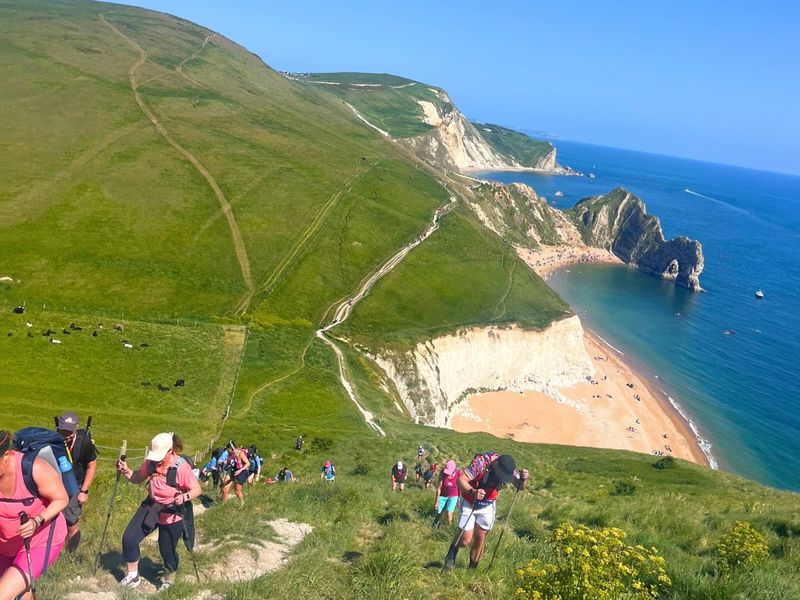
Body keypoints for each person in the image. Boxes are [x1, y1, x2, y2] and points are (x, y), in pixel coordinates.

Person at [117, 432, 201, 590]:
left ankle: (169, 578)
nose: (157, 459)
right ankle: (132, 575)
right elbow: (137, 478)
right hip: (151, 506)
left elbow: (196, 489)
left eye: (160, 455)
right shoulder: (150, 463)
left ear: (170, 451)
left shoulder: (181, 467)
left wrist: (184, 497)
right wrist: (126, 471)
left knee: (166, 550)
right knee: (129, 538)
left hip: (173, 512)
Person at [0, 430, 69, 600]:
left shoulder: (33, 468)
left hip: (39, 540)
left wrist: (36, 521)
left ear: (6, 456)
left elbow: (61, 498)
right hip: (5, 545)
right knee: (20, 593)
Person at [443, 453, 528, 571]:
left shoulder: (508, 468)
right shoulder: (480, 463)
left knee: (480, 537)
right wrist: (473, 491)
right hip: (469, 501)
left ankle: (472, 570)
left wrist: (523, 480)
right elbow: (460, 480)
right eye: (501, 475)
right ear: (496, 464)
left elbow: (520, 486)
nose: (502, 478)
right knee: (465, 540)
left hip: (488, 504)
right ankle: (452, 553)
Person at [56, 411, 97, 552]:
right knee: (53, 521)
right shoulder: (54, 440)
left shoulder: (84, 442)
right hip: (56, 485)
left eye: (68, 431)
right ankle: (55, 552)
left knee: (71, 522)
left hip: (75, 486)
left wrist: (83, 491)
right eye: (62, 430)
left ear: (75, 428)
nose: (65, 434)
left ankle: (69, 554)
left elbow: (92, 466)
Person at [434, 460, 460, 526]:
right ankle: (435, 525)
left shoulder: (459, 473)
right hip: (443, 495)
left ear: (454, 470)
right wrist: (436, 501)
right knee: (438, 512)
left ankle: (449, 527)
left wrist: (459, 499)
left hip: (454, 495)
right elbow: (439, 488)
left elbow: (461, 487)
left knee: (449, 513)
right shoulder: (442, 473)